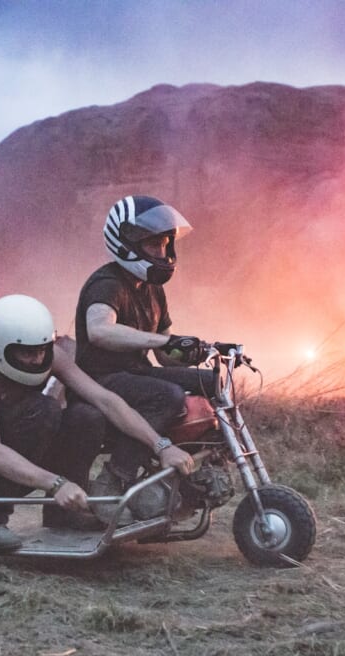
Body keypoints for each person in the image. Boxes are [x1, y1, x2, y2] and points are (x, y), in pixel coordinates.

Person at [0, 293, 195, 552]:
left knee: (87, 416)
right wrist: (56, 484)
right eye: (28, 353)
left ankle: (64, 514)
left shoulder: (53, 357)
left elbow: (106, 400)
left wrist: (161, 445)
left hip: (24, 443)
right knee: (45, 410)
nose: (38, 359)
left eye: (42, 350)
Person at [74, 195, 214, 517]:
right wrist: (159, 341)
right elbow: (98, 330)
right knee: (167, 396)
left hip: (135, 372)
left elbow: (164, 353)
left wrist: (194, 350)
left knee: (212, 384)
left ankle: (195, 473)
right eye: (154, 244)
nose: (163, 252)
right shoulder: (107, 283)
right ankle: (113, 480)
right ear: (127, 243)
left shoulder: (152, 289)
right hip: (99, 378)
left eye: (166, 243)